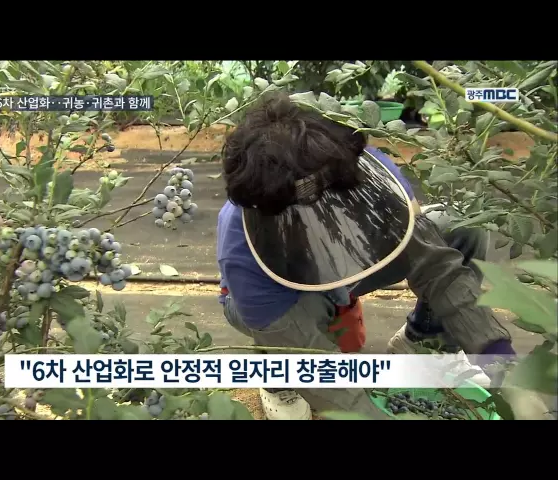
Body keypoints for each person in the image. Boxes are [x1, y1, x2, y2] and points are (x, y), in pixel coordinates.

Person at [215, 92, 520, 420]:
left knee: (457, 228)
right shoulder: (244, 252)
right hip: (288, 293)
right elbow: (310, 363)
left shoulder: (363, 171)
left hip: (354, 262)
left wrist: (500, 360)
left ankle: (423, 343)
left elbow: (437, 269)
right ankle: (278, 379)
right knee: (292, 332)